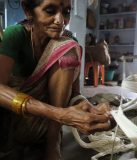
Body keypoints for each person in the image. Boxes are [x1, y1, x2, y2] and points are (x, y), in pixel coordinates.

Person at [0, 0, 115, 159]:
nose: (60, 21)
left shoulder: (68, 44)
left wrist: (87, 107)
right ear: (28, 10)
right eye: (50, 10)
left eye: (66, 12)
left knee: (68, 46)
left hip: (46, 125)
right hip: (14, 120)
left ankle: (52, 142)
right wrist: (58, 114)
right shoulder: (16, 35)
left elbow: (74, 94)